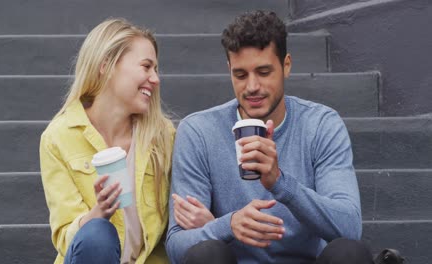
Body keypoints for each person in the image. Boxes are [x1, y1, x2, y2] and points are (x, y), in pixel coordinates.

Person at [166, 10, 373, 264]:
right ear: (229, 69)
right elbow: (176, 247)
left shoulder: (320, 125)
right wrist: (228, 225)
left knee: (349, 254)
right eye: (240, 75)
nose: (252, 86)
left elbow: (349, 227)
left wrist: (280, 183)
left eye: (264, 72)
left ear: (286, 65)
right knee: (206, 254)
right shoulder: (199, 131)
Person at [39, 18, 175, 264]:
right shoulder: (58, 137)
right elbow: (64, 237)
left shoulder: (163, 136)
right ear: (106, 65)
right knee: (97, 235)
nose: (155, 79)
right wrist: (98, 213)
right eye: (146, 67)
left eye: (156, 69)